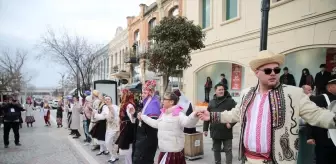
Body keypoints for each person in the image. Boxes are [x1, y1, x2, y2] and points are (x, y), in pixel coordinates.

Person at [197, 50, 336, 164]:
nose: (274, 73)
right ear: (257, 72)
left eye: (277, 69)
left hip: (278, 161)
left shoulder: (293, 93)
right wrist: (212, 116)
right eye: (268, 70)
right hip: (248, 159)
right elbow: (236, 114)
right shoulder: (247, 94)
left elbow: (316, 114)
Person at [135, 92, 199, 164]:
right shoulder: (163, 114)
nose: (162, 101)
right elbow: (156, 124)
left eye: (164, 99)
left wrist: (194, 116)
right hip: (164, 150)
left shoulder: (179, 114)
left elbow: (188, 123)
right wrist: (143, 117)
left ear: (171, 102)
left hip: (173, 152)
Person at [203, 83, 237, 164]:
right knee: (216, 150)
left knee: (228, 150)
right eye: (219, 90)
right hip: (215, 130)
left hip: (226, 130)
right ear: (215, 91)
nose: (221, 91)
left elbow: (237, 114)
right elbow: (207, 116)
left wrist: (231, 124)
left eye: (223, 89)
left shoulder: (230, 101)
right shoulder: (211, 102)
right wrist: (205, 129)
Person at [306, 75, 336, 164]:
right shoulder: (319, 99)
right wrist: (310, 136)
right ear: (330, 87)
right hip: (323, 139)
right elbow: (311, 116)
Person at [133, 80, 161, 164]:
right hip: (143, 138)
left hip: (147, 139)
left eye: (144, 93)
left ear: (150, 93)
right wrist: (134, 113)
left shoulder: (153, 104)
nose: (142, 95)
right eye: (142, 93)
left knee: (144, 159)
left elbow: (153, 124)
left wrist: (141, 117)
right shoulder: (148, 103)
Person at [115, 89, 136, 164]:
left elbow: (133, 119)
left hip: (127, 128)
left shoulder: (129, 105)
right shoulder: (126, 104)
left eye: (121, 94)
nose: (120, 95)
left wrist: (126, 121)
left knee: (127, 146)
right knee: (127, 146)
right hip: (126, 126)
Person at [104, 96, 120, 163]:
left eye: (109, 99)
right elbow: (107, 117)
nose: (107, 100)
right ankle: (113, 155)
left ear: (111, 100)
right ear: (104, 101)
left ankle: (114, 156)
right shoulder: (105, 108)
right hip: (109, 127)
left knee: (115, 142)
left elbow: (119, 116)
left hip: (116, 126)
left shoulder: (115, 107)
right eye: (106, 99)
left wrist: (119, 125)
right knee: (108, 142)